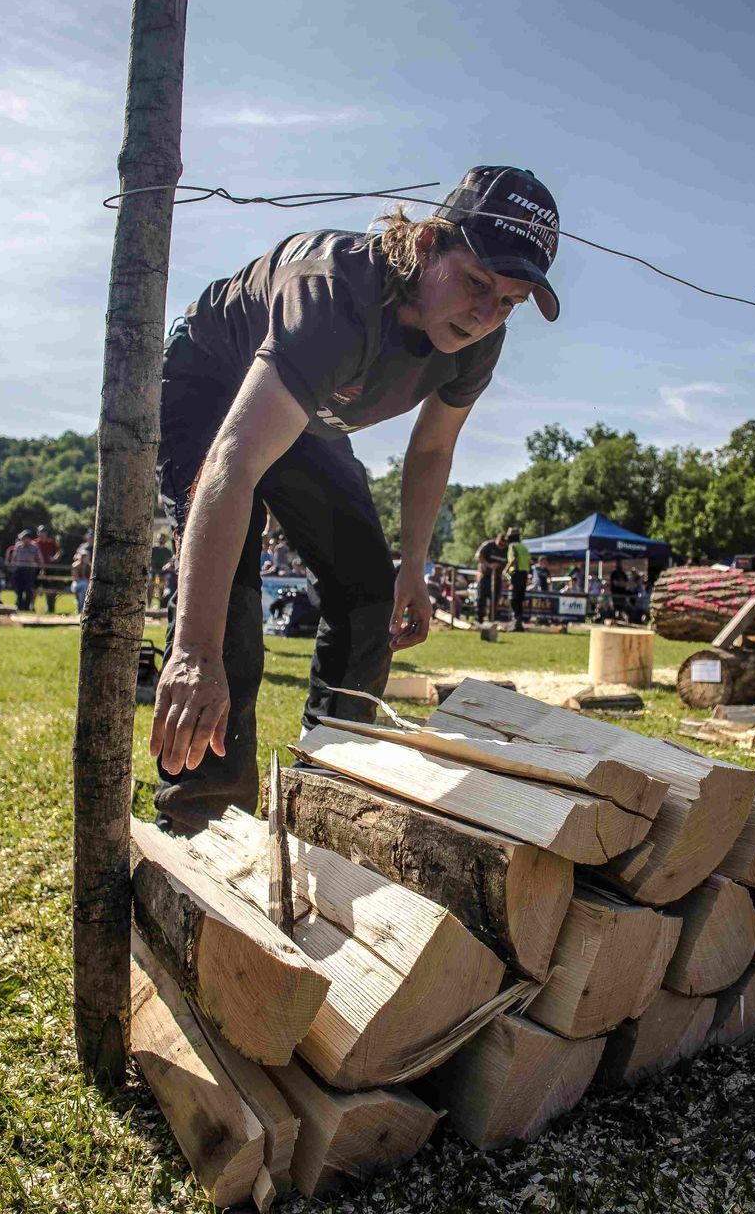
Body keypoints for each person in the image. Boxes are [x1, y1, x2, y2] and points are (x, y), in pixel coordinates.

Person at [148, 166, 562, 833]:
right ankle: (202, 825)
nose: (486, 316)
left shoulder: (478, 340)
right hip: (212, 386)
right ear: (427, 243)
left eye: (509, 302)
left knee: (369, 595)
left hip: (305, 414)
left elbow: (432, 449)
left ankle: (325, 798)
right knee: (229, 615)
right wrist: (194, 651)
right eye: (477, 283)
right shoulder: (332, 295)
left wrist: (413, 567)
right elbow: (233, 461)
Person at [474, 528, 506, 624]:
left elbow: (509, 563)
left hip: (497, 577)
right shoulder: (488, 545)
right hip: (485, 575)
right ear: (496, 540)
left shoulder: (507, 550)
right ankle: (479, 620)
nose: (500, 546)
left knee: (495, 599)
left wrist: (502, 569)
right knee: (481, 598)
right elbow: (477, 557)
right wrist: (489, 565)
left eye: (503, 545)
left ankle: (492, 620)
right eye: (499, 544)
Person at [7, 527, 43, 610]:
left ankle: (26, 606)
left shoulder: (34, 547)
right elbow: (14, 558)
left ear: (29, 538)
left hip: (30, 570)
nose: (22, 540)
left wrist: (41, 569)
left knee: (28, 589)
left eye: (24, 538)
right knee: (18, 588)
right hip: (19, 570)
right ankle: (19, 604)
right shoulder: (18, 546)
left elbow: (40, 560)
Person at [506, 526, 531, 630]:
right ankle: (519, 623)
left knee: (514, 599)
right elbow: (528, 561)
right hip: (524, 574)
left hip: (516, 573)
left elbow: (514, 558)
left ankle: (516, 623)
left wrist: (506, 570)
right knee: (520, 599)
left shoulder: (512, 546)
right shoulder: (524, 547)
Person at [71, 540, 93, 613]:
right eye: (85, 558)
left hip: (85, 586)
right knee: (84, 586)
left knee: (83, 591)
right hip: (76, 584)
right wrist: (85, 580)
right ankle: (82, 608)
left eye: (88, 557)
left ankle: (81, 609)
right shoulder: (75, 566)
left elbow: (90, 577)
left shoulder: (90, 566)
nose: (87, 559)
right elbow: (75, 579)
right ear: (82, 558)